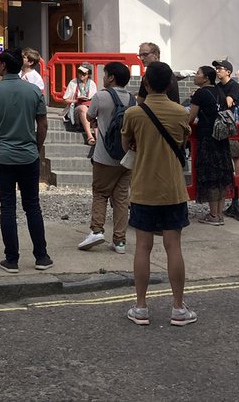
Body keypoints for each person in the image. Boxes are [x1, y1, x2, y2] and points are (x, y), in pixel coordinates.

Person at [122, 61, 197, 327]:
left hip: (143, 188)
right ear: (169, 84)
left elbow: (126, 144)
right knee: (173, 246)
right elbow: (183, 141)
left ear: (145, 83)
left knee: (143, 247)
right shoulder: (180, 113)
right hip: (173, 189)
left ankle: (141, 307)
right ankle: (178, 307)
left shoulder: (134, 113)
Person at [0, 48, 51, 274]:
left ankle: (12, 259)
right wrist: (37, 148)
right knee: (33, 206)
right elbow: (43, 124)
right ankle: (42, 256)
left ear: (2, 66)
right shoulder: (33, 92)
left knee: (7, 206)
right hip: (28, 154)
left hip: (2, 155)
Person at [78, 61, 135, 255]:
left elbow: (90, 116)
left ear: (111, 77)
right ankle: (119, 241)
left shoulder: (101, 96)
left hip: (104, 155)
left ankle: (96, 230)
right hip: (126, 157)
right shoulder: (132, 99)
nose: (103, 77)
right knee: (121, 198)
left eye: (105, 74)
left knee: (100, 193)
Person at [190, 65, 235, 226]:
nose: (195, 76)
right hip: (221, 139)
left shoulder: (200, 93)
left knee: (210, 177)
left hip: (207, 138)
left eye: (197, 73)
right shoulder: (219, 91)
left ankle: (213, 215)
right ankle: (220, 214)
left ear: (206, 78)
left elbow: (190, 117)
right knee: (221, 176)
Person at [213, 59, 239, 224]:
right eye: (216, 68)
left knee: (235, 159)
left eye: (220, 68)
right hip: (222, 129)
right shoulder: (218, 87)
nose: (218, 71)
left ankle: (236, 197)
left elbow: (227, 103)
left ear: (228, 71)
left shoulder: (233, 86)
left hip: (231, 129)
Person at [64, 62, 99, 144]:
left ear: (88, 74)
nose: (81, 75)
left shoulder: (92, 84)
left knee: (93, 110)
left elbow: (95, 98)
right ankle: (90, 137)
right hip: (76, 109)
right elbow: (65, 99)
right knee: (83, 108)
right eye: (80, 72)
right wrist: (76, 100)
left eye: (84, 73)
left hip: (89, 108)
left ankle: (98, 137)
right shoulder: (73, 82)